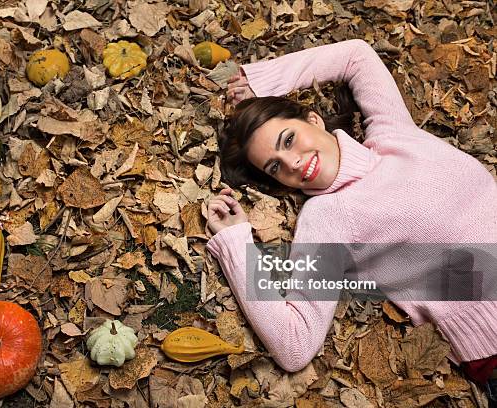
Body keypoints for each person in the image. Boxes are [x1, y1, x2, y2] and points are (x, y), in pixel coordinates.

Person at [205, 39, 497, 404]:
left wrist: (266, 82)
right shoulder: (327, 218)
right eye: (275, 166)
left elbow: (357, 55)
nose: (293, 163)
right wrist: (236, 245)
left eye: (290, 139)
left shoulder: (393, 132)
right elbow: (294, 346)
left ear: (314, 120)